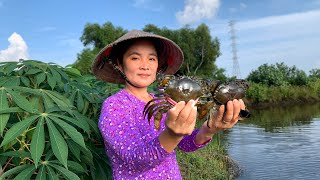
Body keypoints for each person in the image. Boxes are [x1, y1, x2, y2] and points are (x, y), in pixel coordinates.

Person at [92, 30, 246, 179]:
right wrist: (172, 134)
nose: (145, 65)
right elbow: (134, 159)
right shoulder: (114, 106)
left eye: (152, 59)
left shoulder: (163, 100)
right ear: (119, 64)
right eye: (135, 58)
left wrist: (210, 129)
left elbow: (184, 144)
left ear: (158, 65)